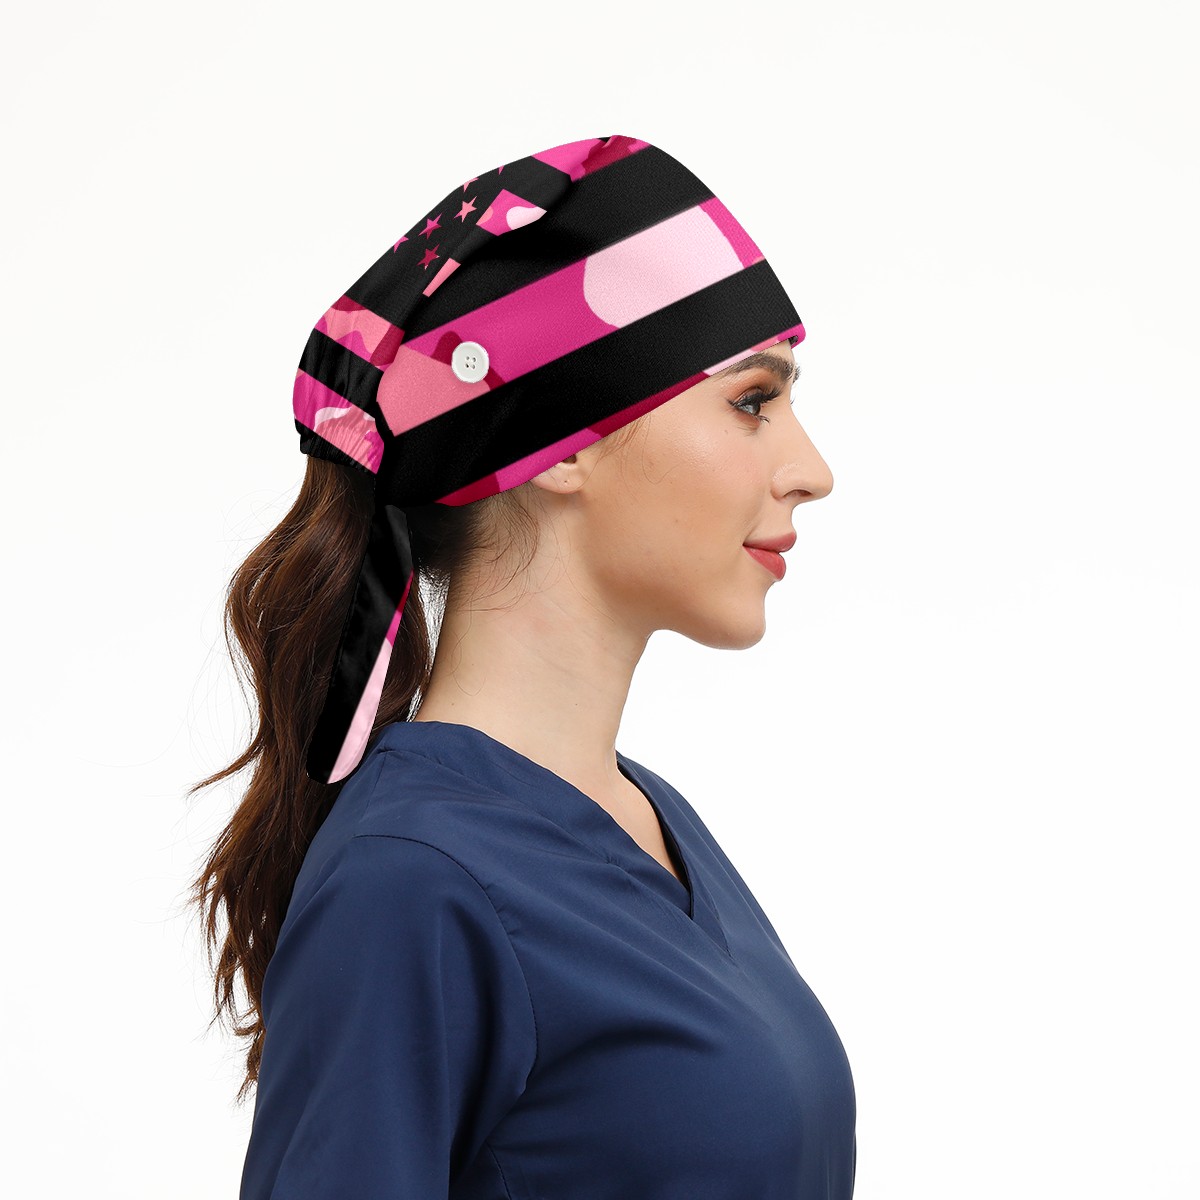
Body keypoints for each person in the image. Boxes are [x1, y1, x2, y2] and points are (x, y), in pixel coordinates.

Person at [189, 133, 857, 1198]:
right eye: (751, 402)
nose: (810, 470)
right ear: (564, 444)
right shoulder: (412, 880)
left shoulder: (647, 820)